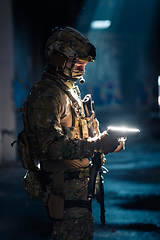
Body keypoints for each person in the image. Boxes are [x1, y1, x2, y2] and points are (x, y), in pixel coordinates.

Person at [22, 26, 123, 240]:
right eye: (77, 63)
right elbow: (51, 147)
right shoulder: (48, 95)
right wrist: (97, 144)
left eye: (84, 65)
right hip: (64, 188)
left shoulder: (69, 91)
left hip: (78, 188)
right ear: (58, 60)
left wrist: (107, 143)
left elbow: (79, 135)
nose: (82, 69)